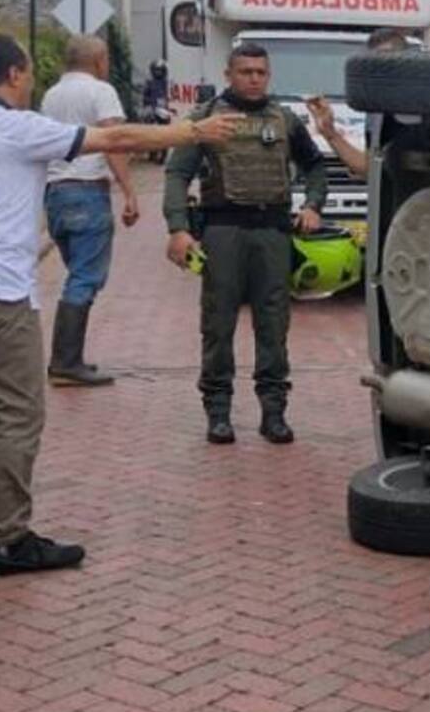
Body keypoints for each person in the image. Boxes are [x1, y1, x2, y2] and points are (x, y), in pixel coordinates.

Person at [0, 32, 238, 576]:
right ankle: (8, 539)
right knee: (17, 415)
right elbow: (114, 135)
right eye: (26, 75)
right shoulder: (16, 129)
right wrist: (193, 130)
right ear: (16, 75)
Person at [163, 41, 327, 445]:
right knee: (218, 324)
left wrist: (313, 205)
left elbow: (316, 165)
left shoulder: (285, 120)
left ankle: (274, 412)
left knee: (274, 325)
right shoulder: (205, 119)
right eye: (245, 72)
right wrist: (178, 228)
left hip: (273, 232)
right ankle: (218, 411)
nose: (254, 79)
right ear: (229, 74)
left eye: (260, 72)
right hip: (223, 232)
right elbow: (176, 174)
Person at [41, 35, 139, 386]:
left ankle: (70, 358)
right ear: (99, 61)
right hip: (87, 191)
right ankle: (65, 362)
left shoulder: (50, 95)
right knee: (84, 278)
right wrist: (129, 191)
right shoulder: (101, 92)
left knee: (77, 274)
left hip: (55, 193)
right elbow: (115, 142)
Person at [305, 27, 406, 179]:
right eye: (374, 63)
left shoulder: (425, 104)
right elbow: (368, 168)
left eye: (389, 60)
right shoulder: (375, 111)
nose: (381, 69)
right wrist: (330, 132)